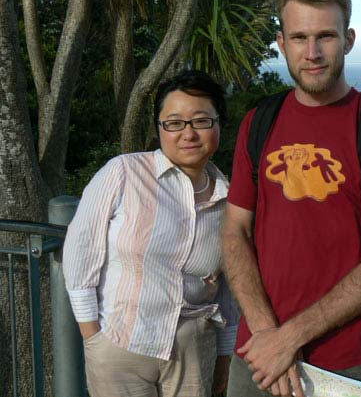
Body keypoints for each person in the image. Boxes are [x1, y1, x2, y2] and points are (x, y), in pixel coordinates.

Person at [222, 0, 361, 397]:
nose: (311, 53)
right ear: (281, 42)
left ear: (348, 40)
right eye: (299, 37)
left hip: (344, 363)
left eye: (325, 36)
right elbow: (235, 230)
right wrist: (266, 333)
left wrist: (288, 338)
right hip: (257, 353)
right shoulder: (259, 123)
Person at [63, 70, 238, 397]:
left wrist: (224, 358)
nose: (188, 133)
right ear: (159, 128)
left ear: (219, 125)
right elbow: (79, 257)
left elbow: (229, 290)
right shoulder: (124, 173)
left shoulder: (230, 200)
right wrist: (93, 338)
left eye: (201, 121)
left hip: (194, 350)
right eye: (173, 122)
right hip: (122, 344)